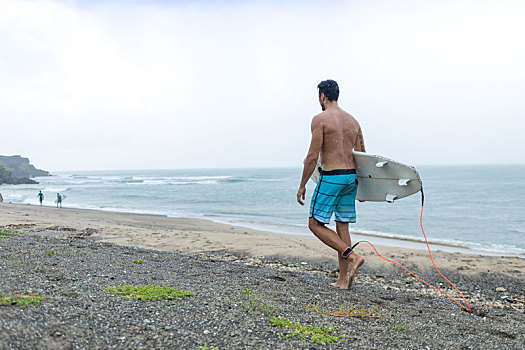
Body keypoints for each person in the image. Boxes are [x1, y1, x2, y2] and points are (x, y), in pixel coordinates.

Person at [297, 79, 366, 289]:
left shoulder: (320, 119)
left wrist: (302, 185)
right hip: (351, 177)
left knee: (314, 224)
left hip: (332, 176)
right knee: (342, 226)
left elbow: (312, 156)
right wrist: (362, 188)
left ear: (322, 97)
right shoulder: (353, 122)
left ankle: (352, 256)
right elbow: (363, 156)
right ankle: (343, 281)